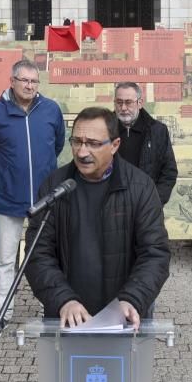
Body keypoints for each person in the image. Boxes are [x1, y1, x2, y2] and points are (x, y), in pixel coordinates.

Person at [24, 106, 170, 328]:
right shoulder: (55, 187)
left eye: (93, 143)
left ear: (115, 145)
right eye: (77, 142)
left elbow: (155, 253)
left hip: (125, 315)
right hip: (70, 316)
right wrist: (64, 299)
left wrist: (132, 298)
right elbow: (38, 253)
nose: (82, 152)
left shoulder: (140, 187)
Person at [0, 59, 65, 340]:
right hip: (7, 198)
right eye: (23, 80)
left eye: (33, 81)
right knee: (5, 261)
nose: (29, 85)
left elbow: (58, 144)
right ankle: (0, 315)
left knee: (47, 259)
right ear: (12, 81)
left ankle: (50, 310)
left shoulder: (51, 109)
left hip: (45, 199)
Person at [113, 82, 178, 205]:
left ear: (140, 103)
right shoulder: (104, 129)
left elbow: (169, 171)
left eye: (128, 102)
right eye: (119, 102)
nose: (123, 108)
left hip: (147, 207)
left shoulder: (158, 131)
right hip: (112, 207)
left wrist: (155, 201)